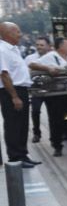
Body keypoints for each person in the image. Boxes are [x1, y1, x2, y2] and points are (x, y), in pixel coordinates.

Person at [0, 22, 41, 169]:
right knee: (13, 125)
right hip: (11, 91)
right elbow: (4, 75)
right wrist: (14, 97)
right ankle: (15, 157)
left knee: (23, 125)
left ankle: (23, 154)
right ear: (8, 34)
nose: (20, 34)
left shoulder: (14, 49)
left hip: (21, 90)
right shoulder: (2, 50)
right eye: (17, 31)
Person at [25, 36, 52, 143]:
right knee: (35, 111)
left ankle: (56, 135)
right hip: (36, 88)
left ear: (48, 46)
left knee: (53, 113)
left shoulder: (52, 57)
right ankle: (36, 133)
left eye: (42, 45)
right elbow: (26, 72)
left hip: (51, 88)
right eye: (37, 45)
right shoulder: (29, 58)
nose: (39, 47)